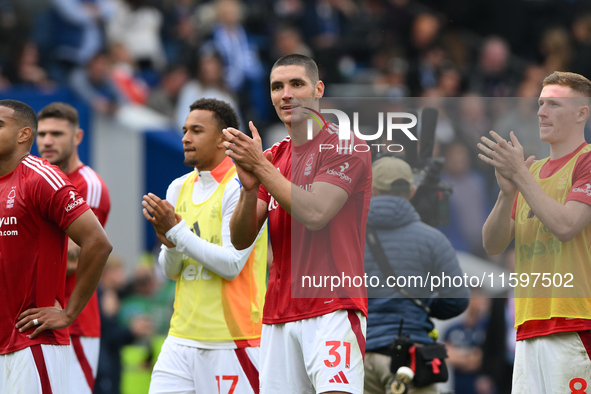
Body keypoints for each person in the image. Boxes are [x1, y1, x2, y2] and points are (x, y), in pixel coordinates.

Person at [223, 54, 372, 393]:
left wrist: (261, 171)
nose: (286, 94)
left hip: (333, 306)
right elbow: (241, 238)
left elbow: (316, 213)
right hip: (278, 312)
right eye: (277, 87)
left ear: (318, 89)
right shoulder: (273, 156)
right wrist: (249, 189)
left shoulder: (346, 145)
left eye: (296, 84)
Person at [142, 98, 267, 394]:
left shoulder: (243, 187)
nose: (185, 138)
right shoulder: (177, 187)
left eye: (196, 130)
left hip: (233, 341)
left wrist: (176, 231)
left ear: (224, 139)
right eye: (185, 130)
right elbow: (170, 272)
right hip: (180, 339)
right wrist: (170, 244)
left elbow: (231, 265)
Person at [479, 71, 591, 392]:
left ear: (582, 112)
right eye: (540, 103)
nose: (541, 112)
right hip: (529, 325)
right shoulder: (533, 172)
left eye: (554, 104)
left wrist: (520, 176)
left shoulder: (587, 161)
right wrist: (506, 194)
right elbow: (493, 244)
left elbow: (566, 226)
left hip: (575, 324)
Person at [0, 99, 112, 393]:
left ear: (23, 135)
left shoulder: (42, 177)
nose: (48, 141)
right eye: (45, 134)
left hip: (35, 338)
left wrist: (68, 313)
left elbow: (97, 243)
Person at [363, 156, 469, 394]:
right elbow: (457, 300)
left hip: (355, 359)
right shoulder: (433, 239)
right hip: (409, 361)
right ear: (411, 191)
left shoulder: (347, 238)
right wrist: (424, 302)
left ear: (370, 188)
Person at [36, 101, 111, 394]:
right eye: (42, 134)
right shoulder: (36, 181)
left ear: (78, 137)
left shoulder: (88, 185)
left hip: (74, 323)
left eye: (57, 133)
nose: (47, 141)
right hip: (35, 318)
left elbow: (73, 257)